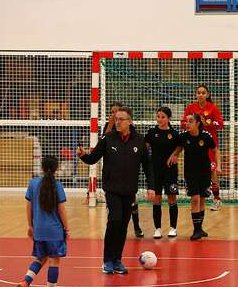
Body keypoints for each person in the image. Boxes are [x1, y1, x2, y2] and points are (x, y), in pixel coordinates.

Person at [77, 107, 155, 274]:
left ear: (130, 121)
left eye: (121, 119)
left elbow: (148, 166)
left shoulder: (139, 140)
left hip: (129, 190)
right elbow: (93, 158)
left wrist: (152, 187)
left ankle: (117, 260)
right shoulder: (108, 138)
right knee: (115, 221)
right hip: (112, 188)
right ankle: (107, 260)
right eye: (116, 119)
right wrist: (83, 155)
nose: (117, 122)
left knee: (123, 225)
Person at [17, 156, 69, 287]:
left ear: (41, 168)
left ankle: (25, 282)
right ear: (57, 168)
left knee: (41, 257)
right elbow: (61, 209)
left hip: (39, 229)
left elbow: (28, 207)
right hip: (54, 230)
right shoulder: (57, 185)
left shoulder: (33, 183)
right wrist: (67, 227)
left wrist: (30, 226)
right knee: (54, 260)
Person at [168, 113, 220, 240]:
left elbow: (215, 150)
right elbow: (179, 149)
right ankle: (196, 230)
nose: (187, 123)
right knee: (195, 199)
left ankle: (200, 229)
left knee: (202, 200)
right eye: (186, 121)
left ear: (197, 123)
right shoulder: (183, 137)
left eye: (190, 121)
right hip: (190, 173)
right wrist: (173, 155)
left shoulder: (206, 136)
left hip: (205, 172)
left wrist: (218, 166)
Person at [102, 102, 144, 238]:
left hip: (128, 179)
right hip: (113, 177)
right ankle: (110, 253)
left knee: (132, 205)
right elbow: (104, 140)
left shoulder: (135, 135)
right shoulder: (109, 131)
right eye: (112, 113)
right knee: (115, 218)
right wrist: (110, 122)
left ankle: (137, 226)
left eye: (117, 113)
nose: (114, 116)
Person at [181, 84, 224, 211]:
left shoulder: (213, 108)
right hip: (194, 145)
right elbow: (183, 123)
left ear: (208, 95)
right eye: (198, 92)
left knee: (212, 171)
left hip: (208, 146)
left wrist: (208, 123)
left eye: (203, 92)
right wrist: (190, 125)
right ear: (196, 94)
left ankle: (217, 199)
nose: (200, 94)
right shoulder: (191, 107)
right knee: (194, 170)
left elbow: (220, 124)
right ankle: (195, 198)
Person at [145, 106, 179, 239]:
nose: (160, 119)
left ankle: (173, 228)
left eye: (163, 117)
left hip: (170, 171)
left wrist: (175, 155)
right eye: (158, 116)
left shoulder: (174, 134)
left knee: (172, 198)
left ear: (169, 118)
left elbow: (180, 146)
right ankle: (157, 229)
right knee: (157, 199)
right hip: (155, 171)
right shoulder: (152, 132)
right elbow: (145, 147)